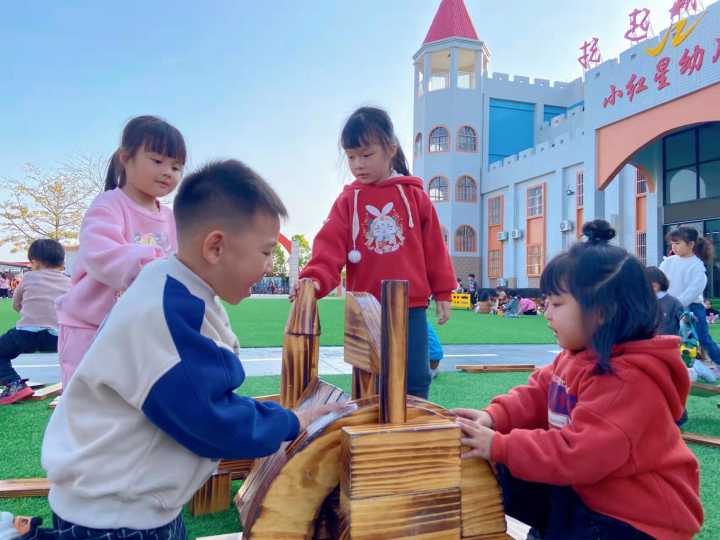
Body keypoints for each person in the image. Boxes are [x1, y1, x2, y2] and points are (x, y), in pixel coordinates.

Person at [33, 160, 338, 540]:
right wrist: (294, 422)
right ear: (215, 247)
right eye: (264, 253)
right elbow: (210, 418)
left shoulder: (177, 288)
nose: (268, 267)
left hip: (134, 500)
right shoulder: (168, 309)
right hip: (116, 515)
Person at [452, 220, 703, 540]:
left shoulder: (628, 380)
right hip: (592, 492)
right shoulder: (577, 356)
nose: (547, 313)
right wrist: (493, 417)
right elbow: (537, 393)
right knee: (503, 465)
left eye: (557, 304)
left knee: (508, 456)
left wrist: (500, 445)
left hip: (635, 518)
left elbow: (581, 454)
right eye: (546, 302)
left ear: (603, 311)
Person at [292, 106, 455, 399]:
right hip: (365, 308)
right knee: (369, 378)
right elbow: (329, 246)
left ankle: (412, 425)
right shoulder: (347, 201)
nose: (358, 165)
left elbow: (435, 249)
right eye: (351, 157)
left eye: (366, 155)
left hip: (411, 306)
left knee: (416, 377)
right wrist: (314, 280)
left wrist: (443, 292)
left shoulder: (415, 197)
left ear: (390, 150)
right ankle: (369, 426)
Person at [55, 116, 185, 387]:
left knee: (133, 394)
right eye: (157, 161)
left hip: (138, 328)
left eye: (176, 166)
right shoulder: (109, 205)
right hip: (89, 324)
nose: (168, 172)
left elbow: (182, 263)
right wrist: (156, 265)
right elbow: (100, 255)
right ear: (126, 158)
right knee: (84, 394)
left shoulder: (171, 218)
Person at [0, 240, 71, 405]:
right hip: (59, 335)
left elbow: (16, 305)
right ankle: (77, 383)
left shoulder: (28, 278)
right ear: (61, 263)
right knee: (80, 353)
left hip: (27, 334)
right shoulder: (69, 281)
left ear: (35, 262)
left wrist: (31, 315)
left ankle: (14, 384)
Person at [660, 226, 720, 366]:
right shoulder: (668, 262)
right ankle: (676, 366)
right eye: (672, 244)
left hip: (692, 308)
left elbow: (693, 290)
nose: (674, 247)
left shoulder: (697, 266)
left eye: (677, 243)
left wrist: (675, 304)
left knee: (703, 338)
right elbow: (659, 281)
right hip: (670, 307)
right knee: (670, 338)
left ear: (691, 244)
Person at [645, 266, 683, 335]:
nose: (649, 288)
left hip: (669, 340)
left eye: (653, 286)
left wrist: (687, 318)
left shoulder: (673, 302)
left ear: (661, 282)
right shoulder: (643, 302)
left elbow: (684, 320)